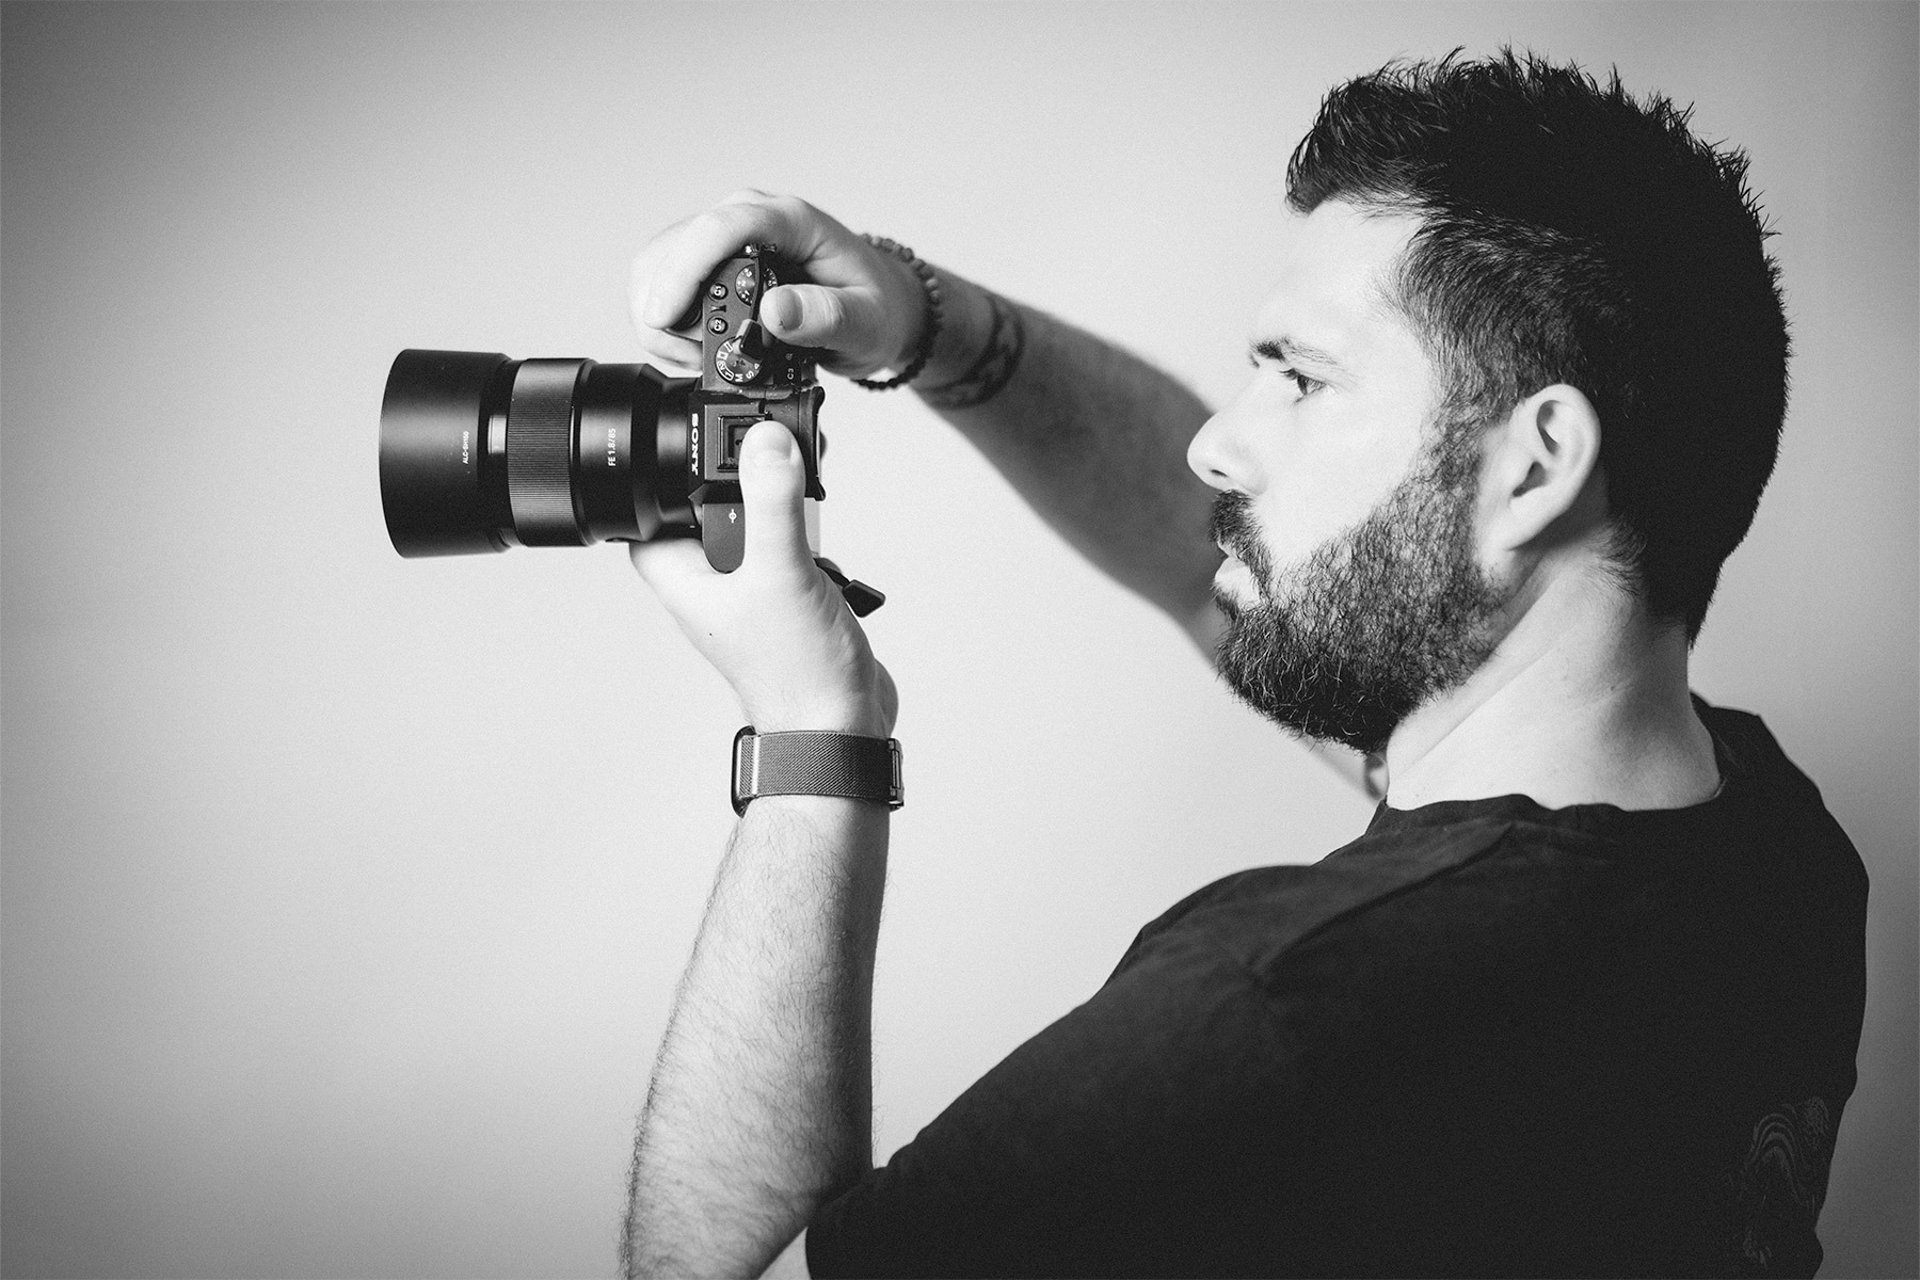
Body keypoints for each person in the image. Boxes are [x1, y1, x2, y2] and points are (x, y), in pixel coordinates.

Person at [617, 50, 1867, 1279]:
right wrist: (928, 326)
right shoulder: (1777, 857)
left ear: (1533, 467)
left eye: (1300, 378)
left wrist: (809, 723)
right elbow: (1195, 554)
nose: (1217, 442)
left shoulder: (1272, 1018)